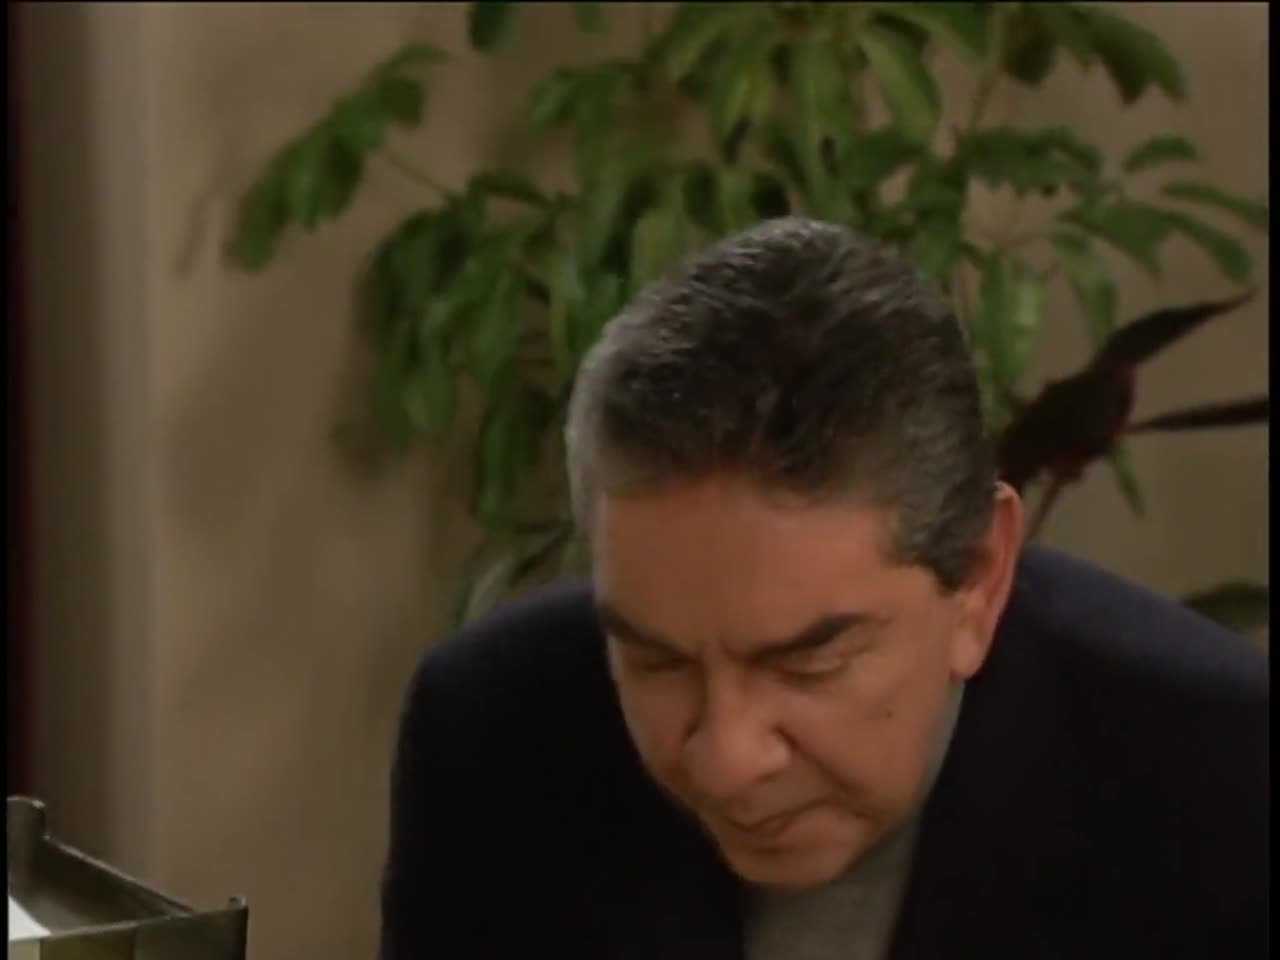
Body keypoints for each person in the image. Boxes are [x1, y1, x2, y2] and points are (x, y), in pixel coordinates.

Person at [379, 218, 1268, 959]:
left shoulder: (1228, 783)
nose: (726, 761)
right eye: (655, 661)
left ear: (978, 576)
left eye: (807, 663)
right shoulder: (490, 731)